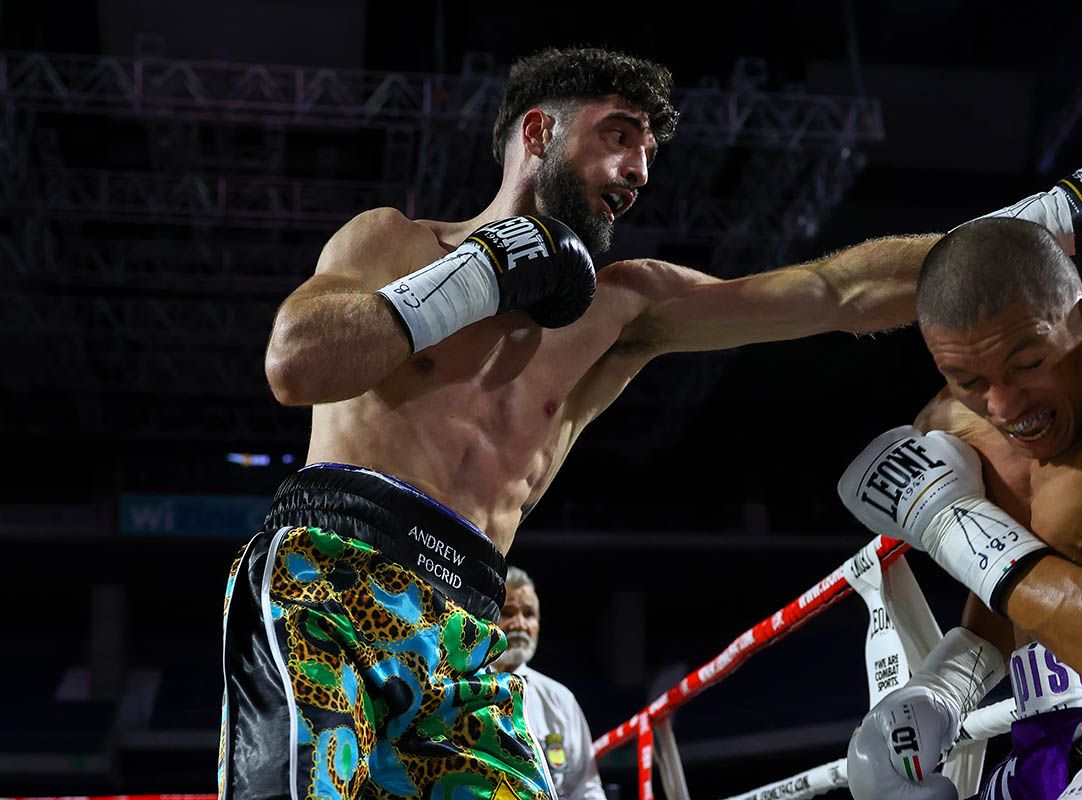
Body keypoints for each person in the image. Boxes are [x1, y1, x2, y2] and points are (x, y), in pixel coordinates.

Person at [219, 45, 942, 800]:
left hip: (469, 630)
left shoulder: (624, 310)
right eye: (619, 135)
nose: (640, 172)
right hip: (332, 572)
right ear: (538, 134)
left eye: (649, 152)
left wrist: (998, 250)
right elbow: (295, 365)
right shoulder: (394, 242)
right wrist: (478, 278)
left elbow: (834, 292)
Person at [838, 212, 1082, 799]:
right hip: (1046, 734)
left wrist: (946, 521)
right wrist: (946, 686)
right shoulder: (960, 422)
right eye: (967, 379)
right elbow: (1035, 574)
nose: (1003, 406)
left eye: (1028, 363)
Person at [491, 567, 607, 800]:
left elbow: (585, 786)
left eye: (529, 614)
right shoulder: (463, 686)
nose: (520, 624)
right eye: (508, 612)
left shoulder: (560, 699)